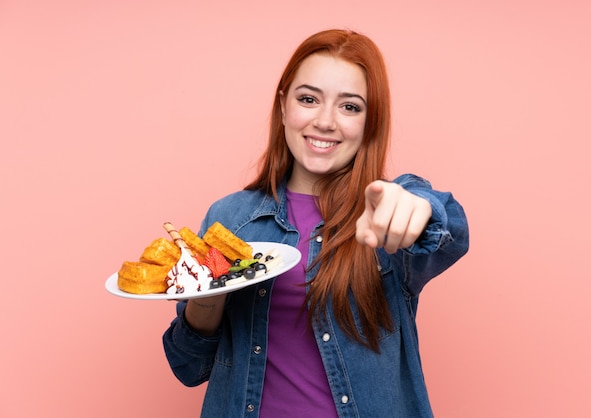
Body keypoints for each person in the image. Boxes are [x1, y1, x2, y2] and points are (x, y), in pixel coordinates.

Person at [163, 29, 469, 418]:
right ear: (283, 105)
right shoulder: (231, 221)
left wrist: (418, 206)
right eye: (308, 99)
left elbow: (451, 231)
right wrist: (207, 299)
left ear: (370, 120)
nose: (325, 122)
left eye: (350, 107)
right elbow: (189, 367)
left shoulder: (384, 215)